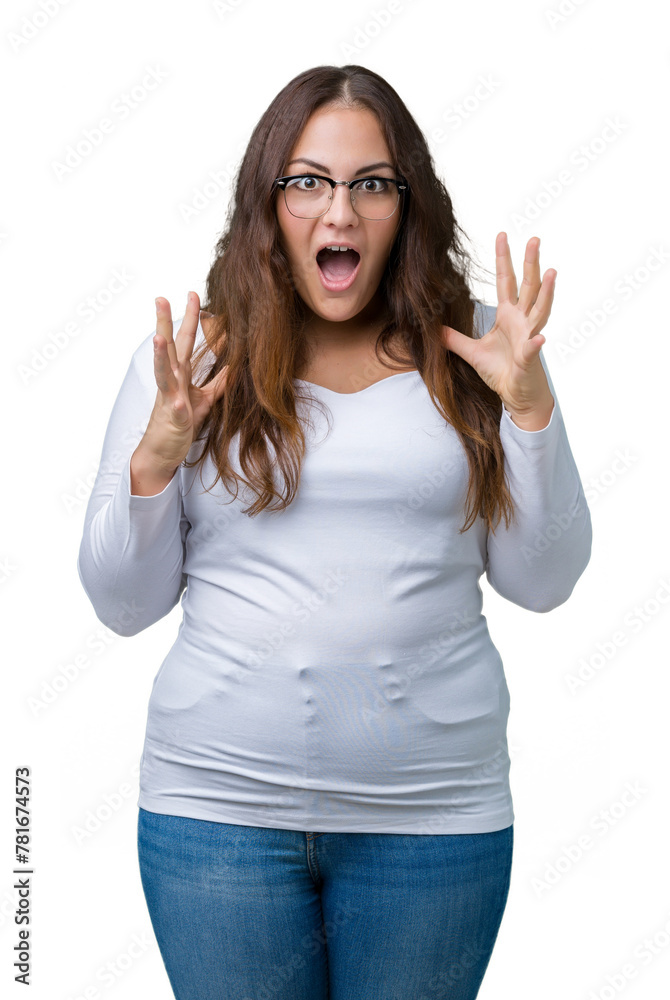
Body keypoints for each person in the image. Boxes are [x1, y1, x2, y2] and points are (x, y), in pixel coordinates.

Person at [77, 64, 592, 1000]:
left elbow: (544, 579)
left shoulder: (481, 349)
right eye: (308, 181)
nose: (340, 214)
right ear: (268, 201)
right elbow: (121, 606)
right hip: (216, 818)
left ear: (409, 202)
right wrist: (155, 459)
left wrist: (530, 408)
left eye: (371, 184)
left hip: (434, 826)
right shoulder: (196, 359)